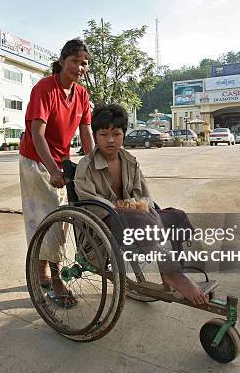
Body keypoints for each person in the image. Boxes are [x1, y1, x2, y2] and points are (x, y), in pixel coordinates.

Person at [74, 104, 209, 305]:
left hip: (135, 218)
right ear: (95, 136)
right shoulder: (86, 166)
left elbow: (144, 196)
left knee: (176, 216)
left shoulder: (130, 161)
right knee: (135, 215)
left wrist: (149, 212)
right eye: (103, 134)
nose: (110, 140)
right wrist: (127, 208)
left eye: (116, 134)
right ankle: (174, 275)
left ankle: (173, 270)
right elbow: (92, 204)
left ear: (123, 135)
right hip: (105, 226)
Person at [19, 39, 94, 307]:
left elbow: (86, 132)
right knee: (47, 216)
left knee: (62, 219)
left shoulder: (82, 95)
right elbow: (36, 134)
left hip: (60, 159)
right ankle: (52, 276)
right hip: (35, 159)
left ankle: (45, 269)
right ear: (62, 61)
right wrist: (52, 169)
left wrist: (95, 164)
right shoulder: (44, 89)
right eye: (74, 61)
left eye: (84, 63)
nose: (79, 67)